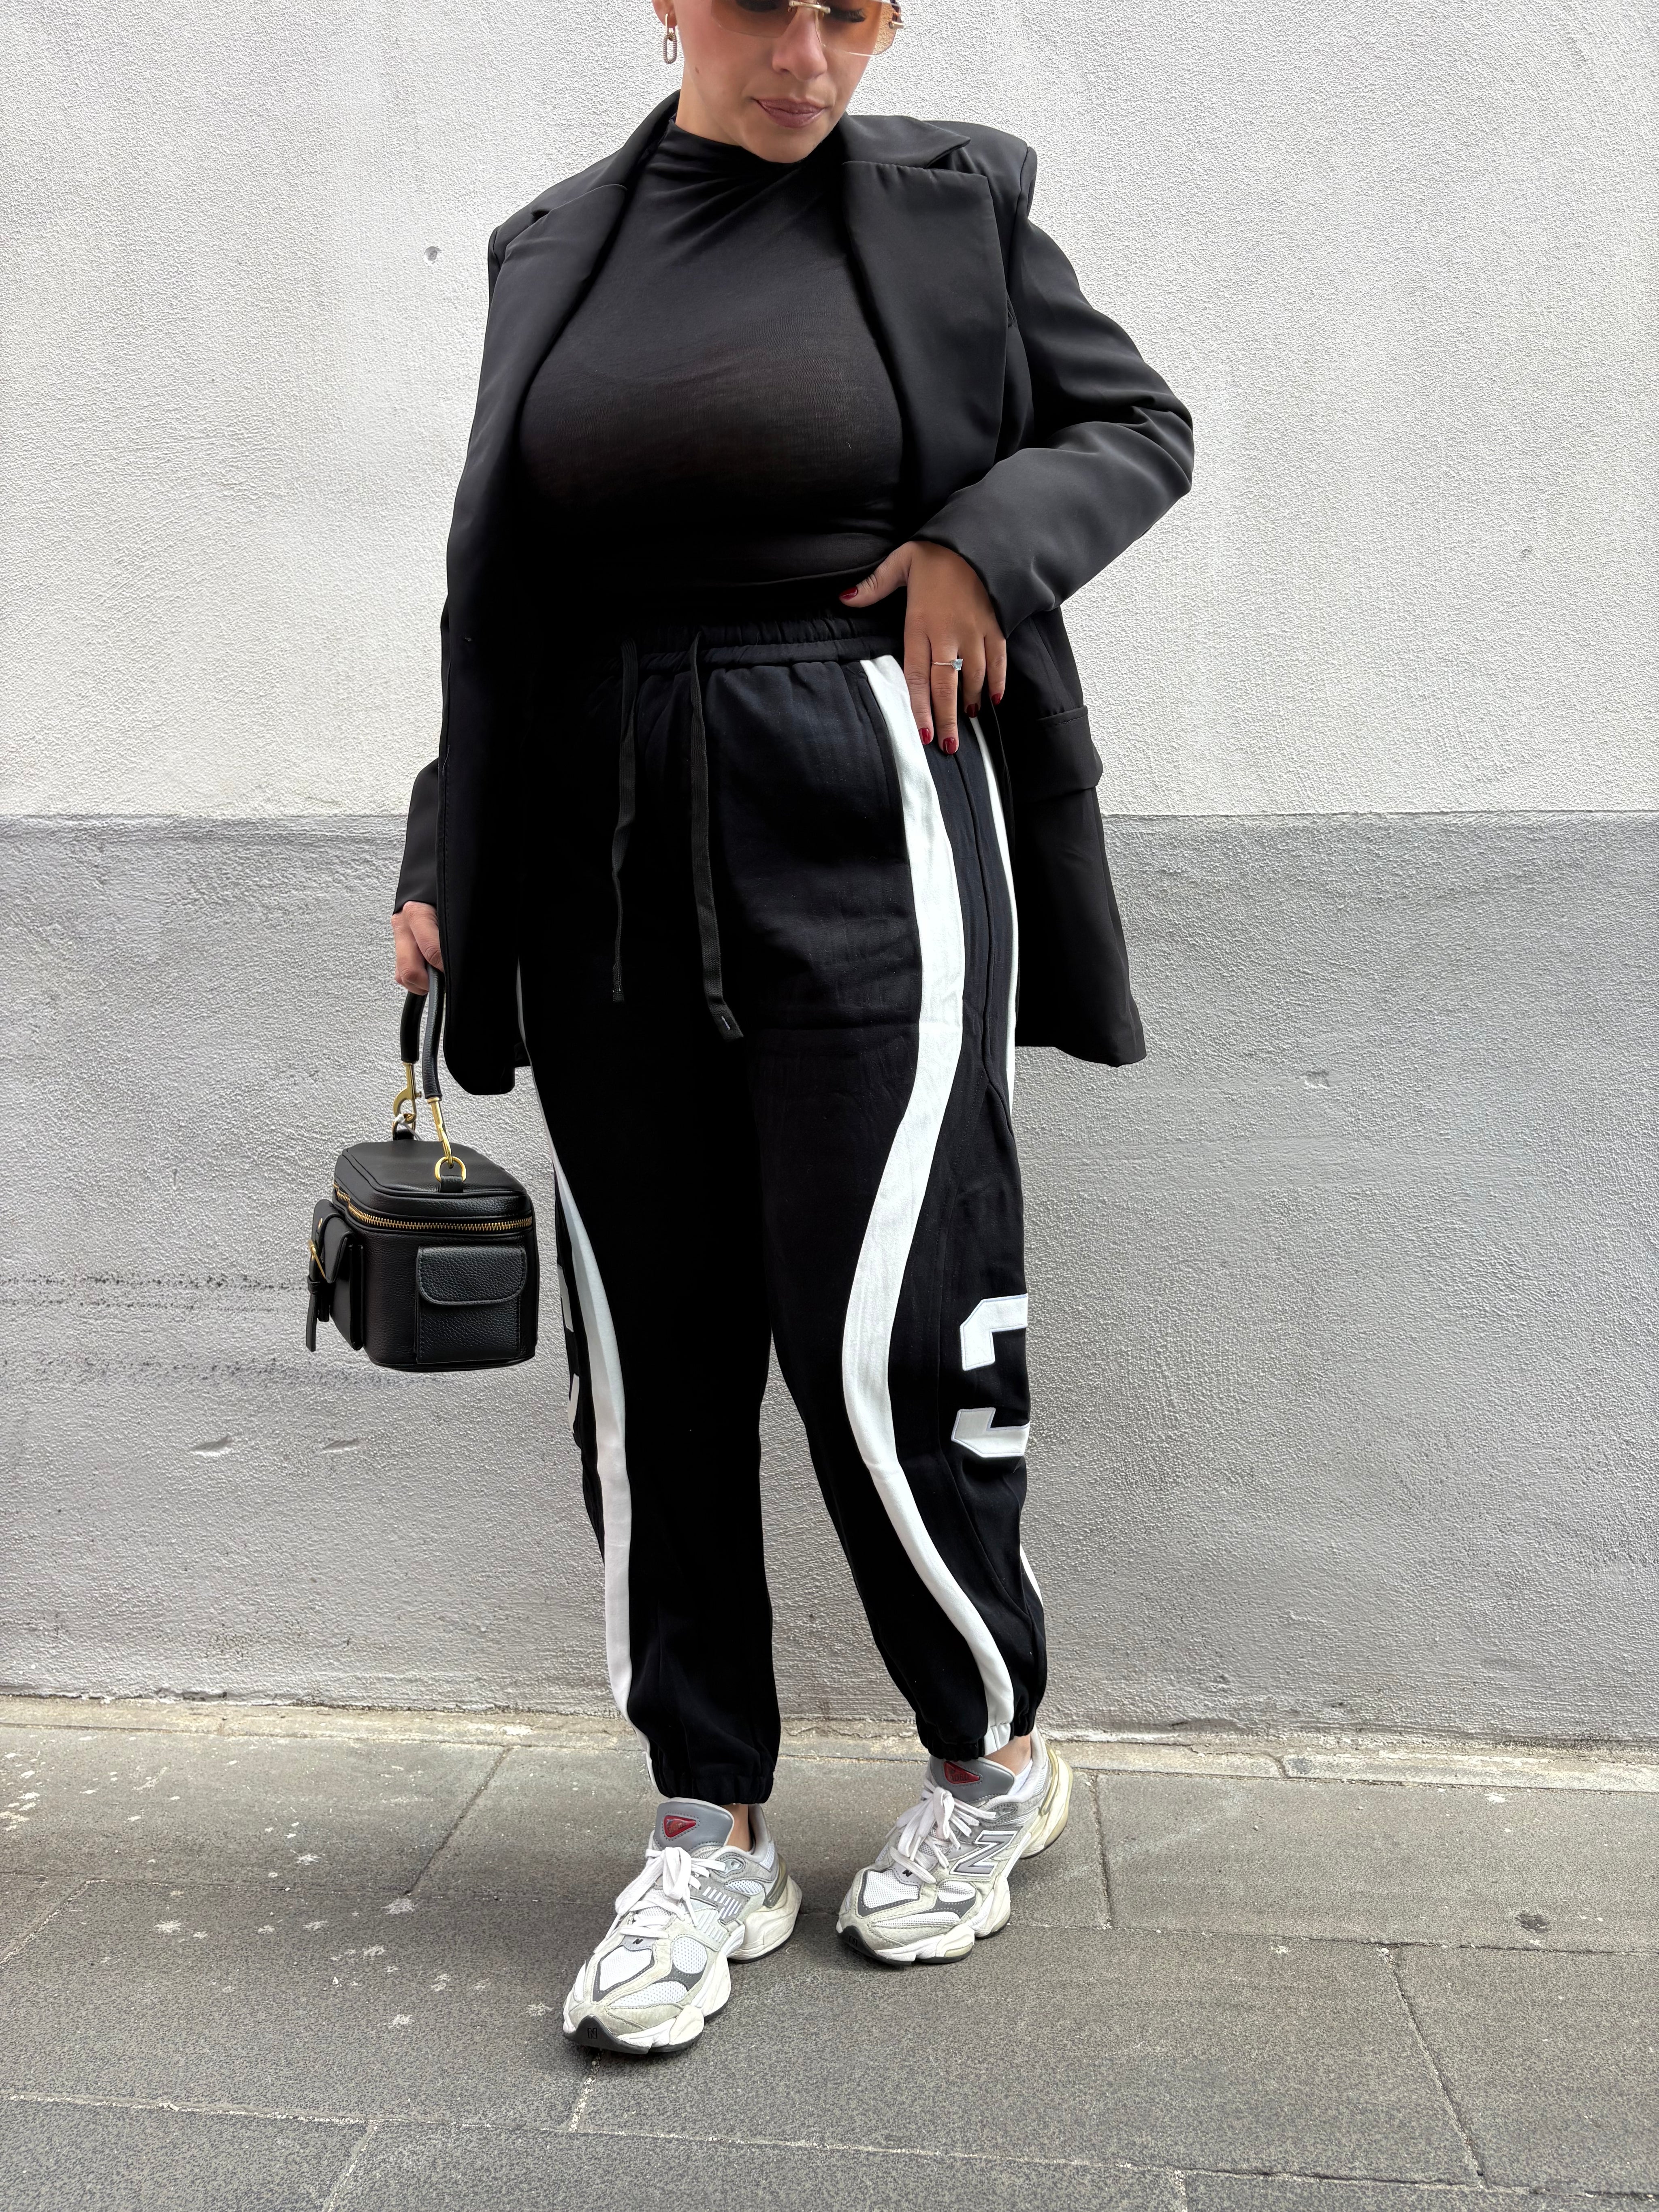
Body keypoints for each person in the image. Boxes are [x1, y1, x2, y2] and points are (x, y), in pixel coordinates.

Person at [390, 0, 1192, 2054]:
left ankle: (987, 1757)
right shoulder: (552, 242)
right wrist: (444, 843)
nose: (810, 55)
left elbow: (1134, 426)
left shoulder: (946, 205)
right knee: (655, 1358)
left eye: (855, 10)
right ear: (671, 2)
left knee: (884, 1331)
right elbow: (511, 595)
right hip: (595, 833)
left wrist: (979, 547)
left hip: (863, 796)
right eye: (767, 6)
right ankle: (706, 1823)